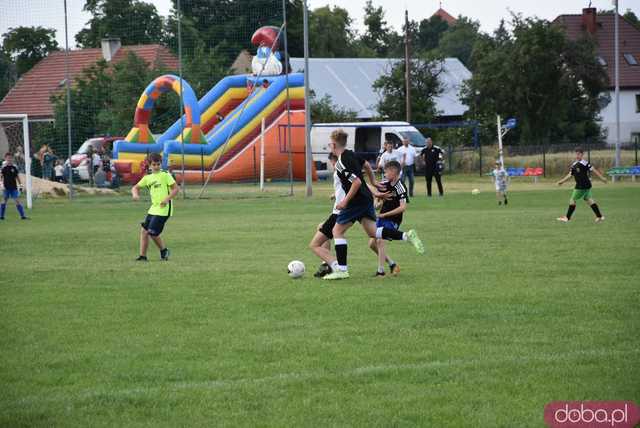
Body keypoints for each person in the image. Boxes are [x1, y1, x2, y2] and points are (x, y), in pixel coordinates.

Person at [323, 130, 422, 280]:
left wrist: (344, 201)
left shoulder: (341, 163)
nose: (329, 145)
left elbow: (355, 183)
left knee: (337, 231)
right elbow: (368, 165)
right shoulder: (352, 154)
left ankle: (342, 270)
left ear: (334, 144)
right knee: (374, 232)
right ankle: (407, 236)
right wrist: (374, 182)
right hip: (366, 198)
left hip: (355, 202)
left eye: (330, 143)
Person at [369, 160, 424, 277]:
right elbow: (377, 200)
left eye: (386, 172)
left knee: (380, 240)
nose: (385, 174)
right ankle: (393, 265)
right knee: (372, 244)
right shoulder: (384, 183)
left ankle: (380, 271)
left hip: (393, 220)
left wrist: (385, 214)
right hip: (382, 217)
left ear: (394, 172)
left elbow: (403, 207)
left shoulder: (400, 187)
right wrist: (377, 203)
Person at [131, 153, 179, 261]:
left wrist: (167, 199)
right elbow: (135, 187)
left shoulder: (165, 175)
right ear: (149, 165)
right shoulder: (148, 178)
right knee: (144, 231)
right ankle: (143, 256)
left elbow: (176, 189)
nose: (156, 166)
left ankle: (164, 250)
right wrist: (135, 194)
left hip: (164, 210)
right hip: (153, 208)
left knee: (152, 232)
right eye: (154, 164)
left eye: (158, 164)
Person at [309, 153, 345, 278]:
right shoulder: (341, 172)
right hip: (340, 211)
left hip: (339, 212)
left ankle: (335, 266)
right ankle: (327, 263)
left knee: (314, 244)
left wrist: (375, 190)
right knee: (321, 227)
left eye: (332, 163)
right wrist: (335, 194)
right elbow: (346, 187)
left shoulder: (340, 170)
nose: (332, 165)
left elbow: (357, 183)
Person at [556, 147, 607, 223]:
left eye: (579, 154)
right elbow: (570, 174)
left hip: (582, 186)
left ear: (582, 154)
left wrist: (602, 178)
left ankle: (567, 217)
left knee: (572, 200)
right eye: (576, 154)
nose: (577, 155)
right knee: (589, 200)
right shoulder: (574, 164)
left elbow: (594, 170)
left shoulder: (585, 163)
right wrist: (562, 181)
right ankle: (599, 216)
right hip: (585, 185)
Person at [1, 152, 28, 220]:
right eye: (8, 158)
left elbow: (17, 176)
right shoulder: (3, 167)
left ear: (12, 159)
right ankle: (1, 216)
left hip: (13, 187)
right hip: (6, 187)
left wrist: (20, 184)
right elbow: (1, 177)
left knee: (17, 200)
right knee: (4, 200)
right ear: (5, 158)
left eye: (10, 158)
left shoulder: (14, 167)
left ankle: (22, 216)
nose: (9, 159)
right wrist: (1, 185)